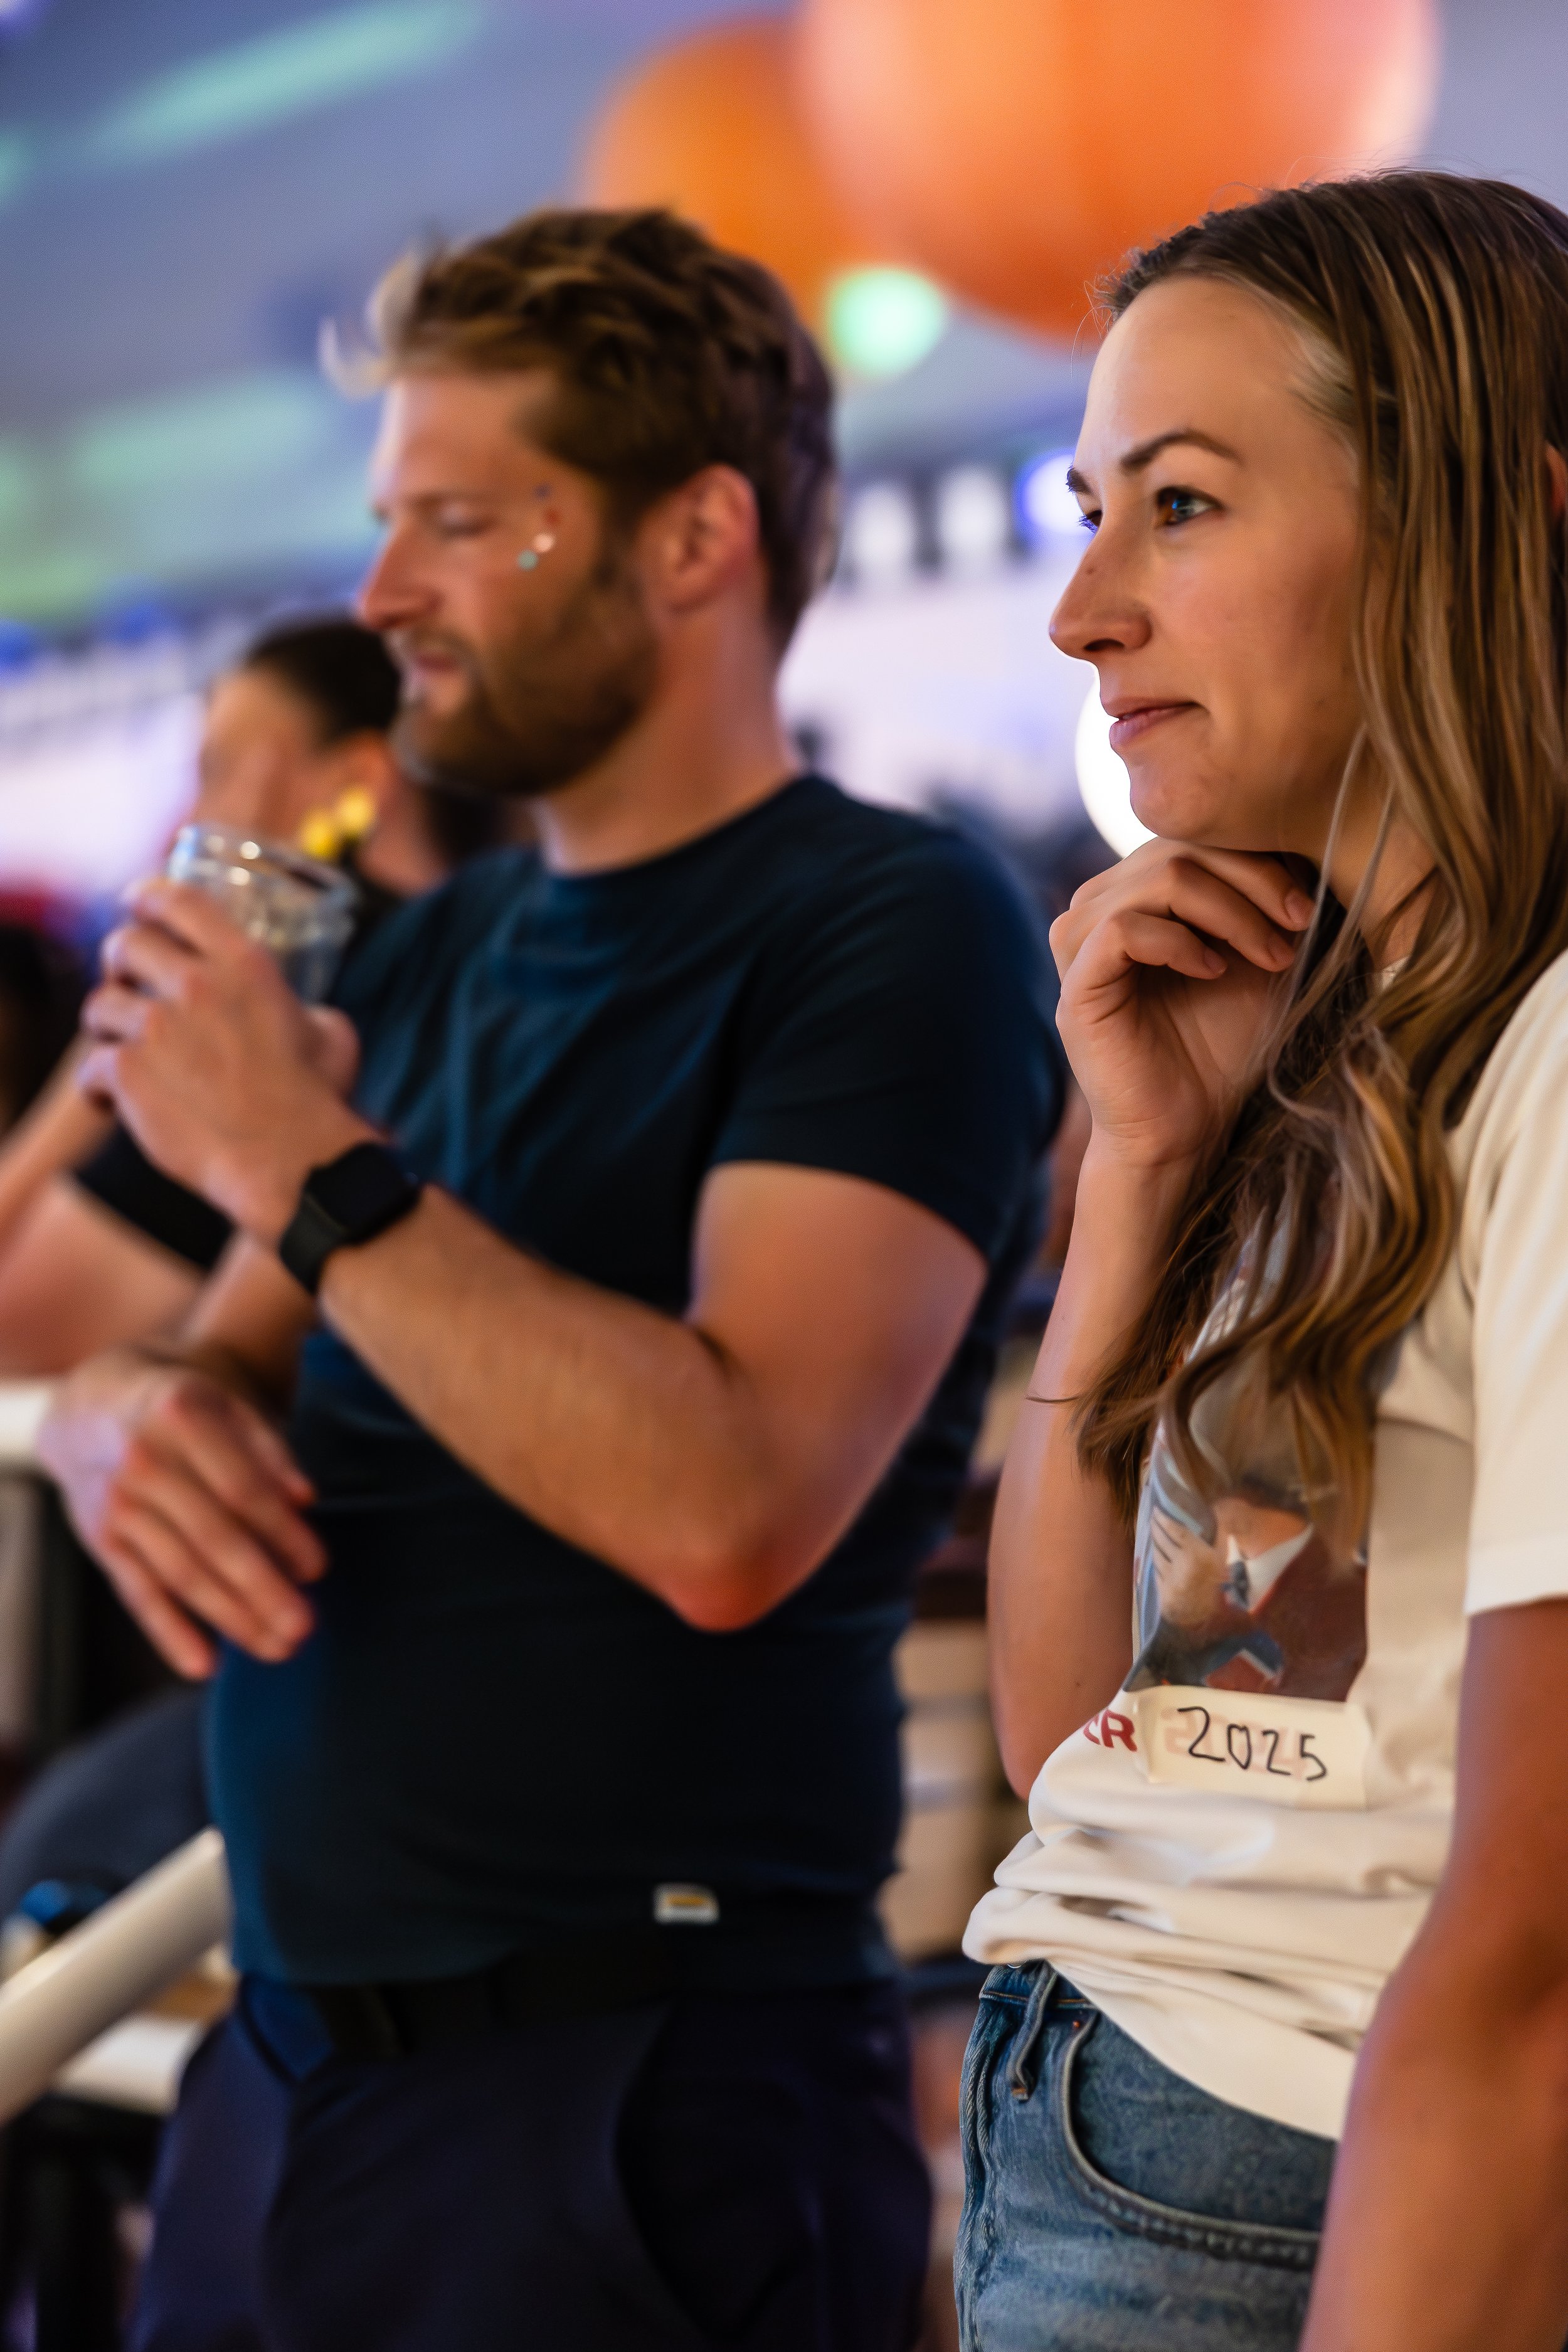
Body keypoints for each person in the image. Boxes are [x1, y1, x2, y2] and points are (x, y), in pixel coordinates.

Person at [40, 206, 1059, 2351]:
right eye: (384, 522)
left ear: (692, 539)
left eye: (457, 522)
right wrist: (133, 1414)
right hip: (291, 2070)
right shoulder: (423, 955)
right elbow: (199, 1346)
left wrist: (296, 1154)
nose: (384, 593)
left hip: (639, 2094)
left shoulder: (888, 925)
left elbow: (732, 1504)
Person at [958, 169, 1568, 2352]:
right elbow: (1106, 1749)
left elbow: (1541, 1961)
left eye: (1184, 507)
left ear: (1499, 524)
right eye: (1086, 510)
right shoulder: (1341, 1058)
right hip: (1116, 2140)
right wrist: (1143, 1175)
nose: (1085, 613)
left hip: (1313, 2197)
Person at [0, 617, 503, 1922]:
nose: (188, 812)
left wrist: (92, 1074)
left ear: (354, 784)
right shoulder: (500, 975)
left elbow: (22, 1320)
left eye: (223, 767)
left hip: (321, 1683)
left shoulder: (273, 1021)